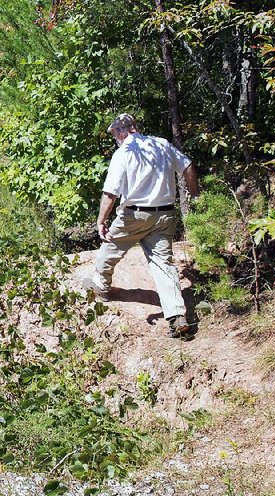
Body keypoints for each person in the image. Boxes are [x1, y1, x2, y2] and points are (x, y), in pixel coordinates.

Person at [82, 113, 200, 338]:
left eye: (115, 134)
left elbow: (110, 192)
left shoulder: (124, 153)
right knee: (163, 264)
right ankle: (176, 317)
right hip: (165, 215)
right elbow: (187, 165)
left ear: (120, 131)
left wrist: (101, 221)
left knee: (110, 247)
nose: (116, 138)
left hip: (134, 216)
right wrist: (195, 196)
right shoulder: (162, 144)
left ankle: (101, 286)